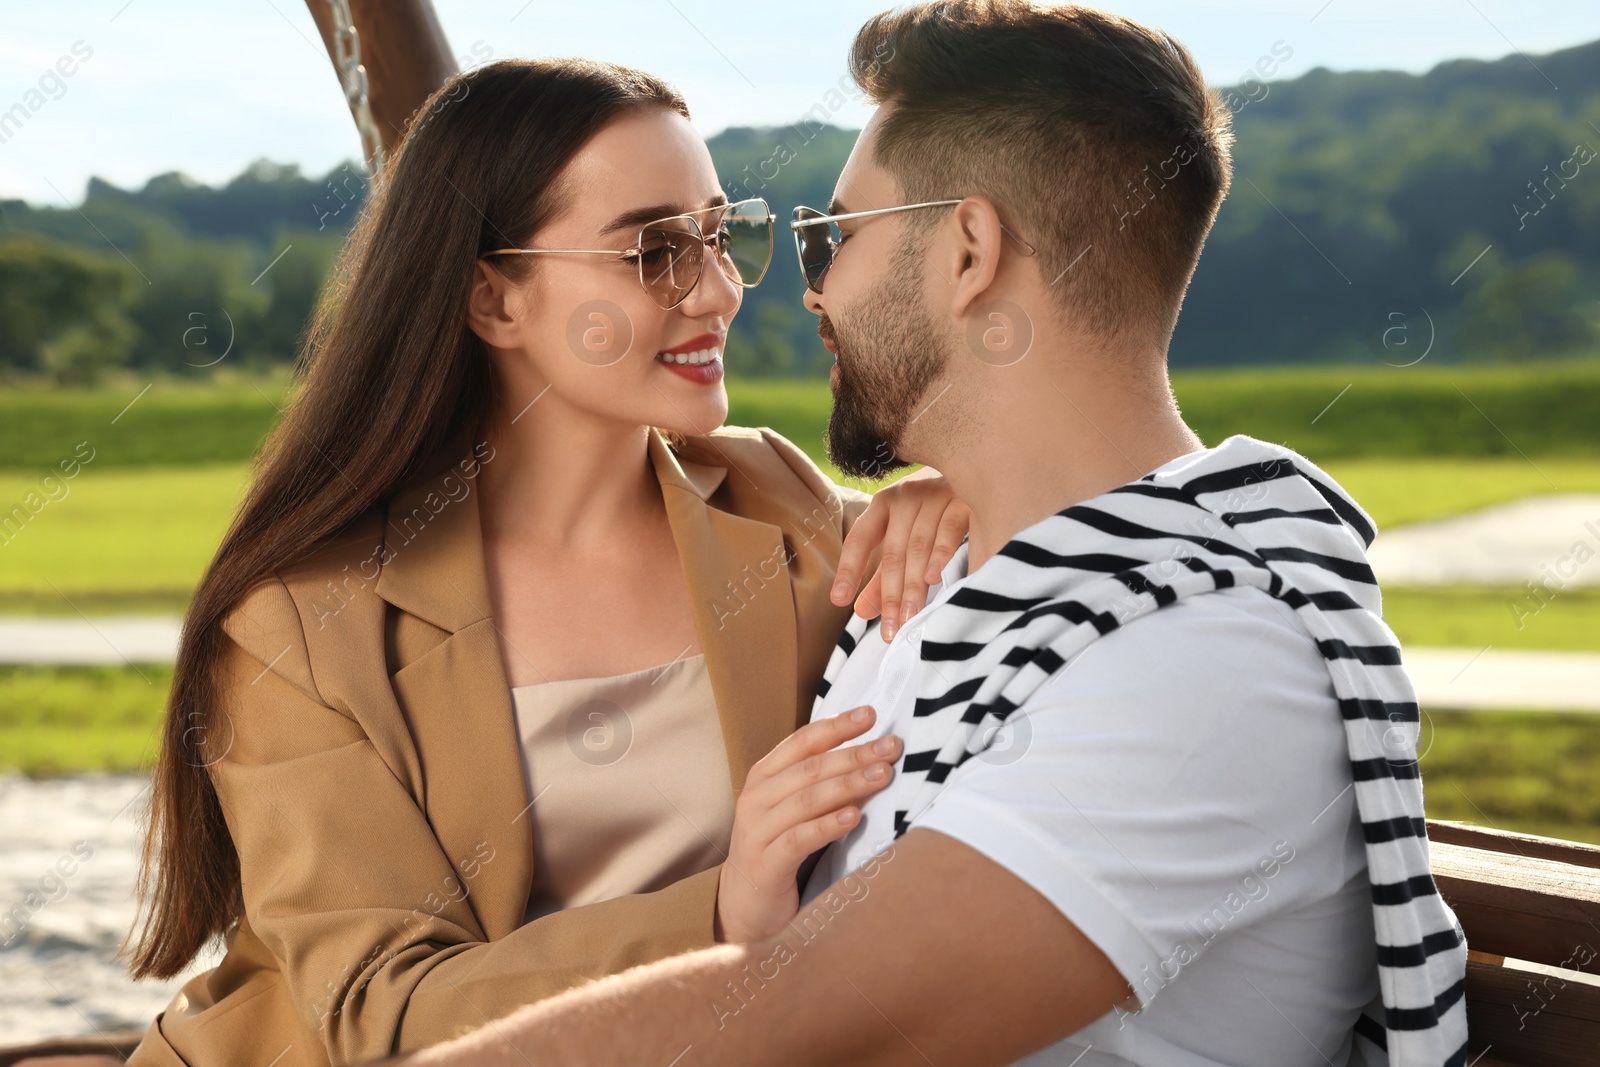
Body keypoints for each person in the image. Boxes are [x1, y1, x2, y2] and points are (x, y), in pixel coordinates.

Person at [390, 3, 1469, 1066]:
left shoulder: (1200, 661)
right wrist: (954, 492)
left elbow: (797, 1023)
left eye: (835, 237)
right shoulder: (955, 581)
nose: (803, 292)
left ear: (966, 253)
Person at [113, 57, 971, 1067]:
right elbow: (381, 1010)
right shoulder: (299, 622)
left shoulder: (779, 510)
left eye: (719, 233)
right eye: (654, 251)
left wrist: (954, 490)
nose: (720, 289)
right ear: (493, 298)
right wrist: (721, 911)